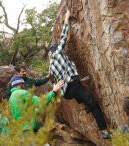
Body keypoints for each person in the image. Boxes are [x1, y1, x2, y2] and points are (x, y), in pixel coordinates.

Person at [48, 9, 110, 139]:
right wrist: (66, 17)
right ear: (55, 51)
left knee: (82, 94)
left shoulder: (51, 66)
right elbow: (63, 36)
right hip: (74, 87)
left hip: (68, 92)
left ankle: (85, 104)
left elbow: (62, 77)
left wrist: (79, 80)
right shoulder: (57, 54)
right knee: (93, 103)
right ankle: (104, 131)